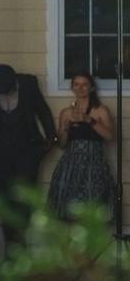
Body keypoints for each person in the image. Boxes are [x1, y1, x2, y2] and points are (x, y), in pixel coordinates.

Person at [0, 63, 56, 246]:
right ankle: (11, 248)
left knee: (26, 199)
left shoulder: (27, 84)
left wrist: (51, 137)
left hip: (27, 150)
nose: (4, 94)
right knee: (3, 200)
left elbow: (42, 110)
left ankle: (23, 246)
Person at [47, 72, 115, 219]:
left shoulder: (101, 110)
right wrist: (64, 127)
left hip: (94, 163)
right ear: (72, 88)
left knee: (93, 206)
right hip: (70, 165)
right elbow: (62, 144)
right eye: (76, 85)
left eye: (84, 84)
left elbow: (110, 136)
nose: (80, 88)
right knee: (67, 208)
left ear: (91, 88)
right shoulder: (66, 112)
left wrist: (88, 120)